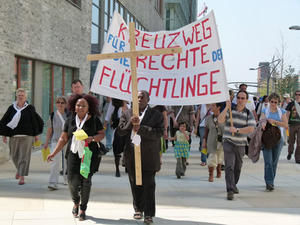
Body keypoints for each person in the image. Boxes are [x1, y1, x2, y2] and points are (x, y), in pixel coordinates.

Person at [47, 94, 105, 221]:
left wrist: (93, 138)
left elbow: (101, 134)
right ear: (74, 106)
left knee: (86, 182)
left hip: (88, 155)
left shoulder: (94, 120)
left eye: (84, 105)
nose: (80, 107)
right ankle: (76, 202)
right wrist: (54, 153)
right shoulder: (70, 120)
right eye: (78, 105)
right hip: (73, 155)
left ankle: (83, 209)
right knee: (72, 182)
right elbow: (63, 138)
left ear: (89, 107)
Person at [118, 90, 164, 224]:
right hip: (131, 155)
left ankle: (149, 214)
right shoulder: (127, 113)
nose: (139, 99)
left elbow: (159, 133)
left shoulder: (156, 115)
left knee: (149, 185)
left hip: (149, 156)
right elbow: (120, 131)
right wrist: (129, 124)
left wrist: (140, 128)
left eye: (142, 97)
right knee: (134, 183)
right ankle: (138, 209)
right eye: (137, 97)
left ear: (148, 100)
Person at [0, 88, 44, 185]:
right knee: (14, 156)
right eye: (19, 95)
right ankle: (19, 170)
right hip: (14, 136)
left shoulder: (30, 108)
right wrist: (4, 134)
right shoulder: (11, 108)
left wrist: (36, 135)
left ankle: (22, 176)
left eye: (22, 95)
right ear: (16, 96)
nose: (20, 97)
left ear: (25, 97)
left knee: (24, 157)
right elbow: (5, 121)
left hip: (27, 136)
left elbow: (35, 121)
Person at [218, 90, 256, 200]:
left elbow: (251, 128)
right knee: (229, 165)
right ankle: (230, 189)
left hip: (240, 144)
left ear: (246, 100)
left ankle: (233, 184)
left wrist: (237, 129)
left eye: (243, 98)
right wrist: (226, 107)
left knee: (237, 167)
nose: (240, 100)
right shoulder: (230, 110)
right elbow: (220, 120)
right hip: (228, 141)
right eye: (238, 97)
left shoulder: (248, 113)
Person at [260, 93, 288, 191]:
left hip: (278, 139)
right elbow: (262, 120)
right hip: (266, 138)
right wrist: (263, 123)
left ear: (278, 103)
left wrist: (275, 122)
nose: (273, 104)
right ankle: (269, 182)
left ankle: (271, 180)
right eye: (272, 101)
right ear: (269, 101)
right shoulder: (265, 110)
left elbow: (285, 125)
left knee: (274, 162)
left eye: (275, 102)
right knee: (268, 161)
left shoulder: (282, 112)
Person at [43, 96, 68, 190]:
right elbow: (49, 130)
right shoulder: (52, 115)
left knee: (67, 162)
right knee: (54, 162)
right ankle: (53, 182)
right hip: (55, 141)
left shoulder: (69, 115)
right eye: (58, 102)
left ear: (65, 104)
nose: (60, 104)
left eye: (62, 103)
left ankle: (66, 179)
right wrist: (46, 142)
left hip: (66, 141)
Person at [104, 98, 128, 177]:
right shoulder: (113, 102)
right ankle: (117, 169)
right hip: (117, 130)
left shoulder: (129, 102)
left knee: (128, 148)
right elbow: (108, 115)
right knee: (117, 150)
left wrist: (125, 104)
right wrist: (104, 126)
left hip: (128, 129)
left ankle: (127, 165)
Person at [202, 103, 224, 182]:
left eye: (213, 105)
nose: (211, 107)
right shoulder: (208, 118)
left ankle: (219, 170)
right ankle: (210, 174)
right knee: (212, 157)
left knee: (220, 156)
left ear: (219, 107)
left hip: (221, 141)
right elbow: (206, 131)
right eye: (211, 105)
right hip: (211, 140)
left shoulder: (224, 117)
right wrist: (204, 141)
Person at [285, 90, 300, 163]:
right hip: (292, 125)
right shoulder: (291, 104)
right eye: (296, 94)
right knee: (291, 141)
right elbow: (287, 114)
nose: (298, 96)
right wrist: (286, 123)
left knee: (299, 142)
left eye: (299, 94)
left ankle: (298, 158)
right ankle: (290, 152)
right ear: (295, 95)